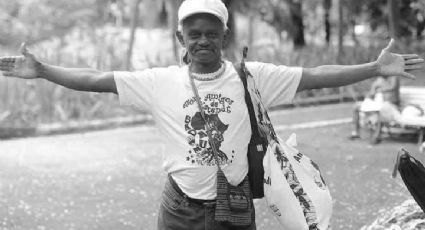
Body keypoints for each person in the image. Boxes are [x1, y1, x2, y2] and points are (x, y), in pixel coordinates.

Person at [0, 0, 423, 229]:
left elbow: (314, 74)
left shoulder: (252, 76)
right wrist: (43, 71)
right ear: (180, 36)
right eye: (194, 34)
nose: (202, 40)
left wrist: (373, 67)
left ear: (224, 35)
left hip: (234, 203)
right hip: (179, 205)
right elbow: (95, 78)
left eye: (211, 33)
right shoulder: (159, 81)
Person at [350, 75, 400, 141]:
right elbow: (371, 93)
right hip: (377, 103)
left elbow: (392, 87)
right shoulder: (379, 79)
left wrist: (379, 88)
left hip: (390, 105)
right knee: (356, 106)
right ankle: (355, 133)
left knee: (378, 110)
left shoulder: (394, 77)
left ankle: (376, 136)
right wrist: (373, 90)